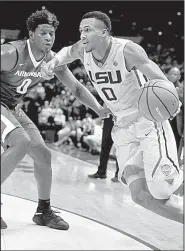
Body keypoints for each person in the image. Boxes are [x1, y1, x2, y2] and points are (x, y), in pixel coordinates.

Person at [41, 11, 183, 223]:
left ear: (104, 32)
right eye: (81, 30)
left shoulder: (127, 50)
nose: (82, 35)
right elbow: (66, 52)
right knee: (140, 196)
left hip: (148, 123)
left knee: (161, 189)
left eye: (87, 30)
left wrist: (173, 102)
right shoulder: (83, 50)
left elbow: (163, 84)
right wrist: (52, 64)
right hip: (123, 131)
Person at [1, 9, 110, 230]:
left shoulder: (51, 61)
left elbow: (77, 89)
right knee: (20, 141)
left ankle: (43, 211)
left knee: (43, 154)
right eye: (43, 33)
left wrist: (99, 108)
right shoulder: (10, 53)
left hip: (12, 107)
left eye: (52, 33)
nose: (49, 38)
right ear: (31, 34)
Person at [88, 115, 119, 182]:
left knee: (119, 148)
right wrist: (101, 116)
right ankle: (101, 172)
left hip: (120, 116)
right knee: (105, 145)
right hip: (109, 117)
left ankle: (119, 175)